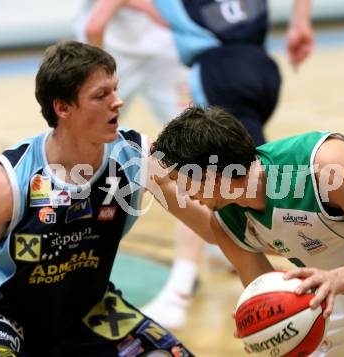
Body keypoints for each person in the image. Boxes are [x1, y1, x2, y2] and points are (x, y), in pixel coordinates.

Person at [0, 40, 216, 356]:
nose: (117, 102)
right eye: (101, 95)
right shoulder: (10, 179)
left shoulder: (134, 157)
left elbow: (210, 227)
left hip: (91, 310)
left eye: (115, 90)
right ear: (62, 107)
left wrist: (283, 238)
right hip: (8, 316)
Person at [153, 105, 344, 356]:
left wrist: (336, 279)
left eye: (181, 180)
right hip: (340, 289)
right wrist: (263, 327)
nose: (182, 192)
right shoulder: (226, 223)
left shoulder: (325, 166)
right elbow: (265, 295)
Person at [141, 0, 314, 329]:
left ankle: (180, 289)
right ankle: (250, 254)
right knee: (243, 175)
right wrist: (300, 22)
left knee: (200, 170)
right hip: (262, 65)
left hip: (218, 65)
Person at [75, 0, 205, 330]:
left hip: (167, 44)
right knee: (78, 147)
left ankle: (182, 283)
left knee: (195, 152)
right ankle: (62, 257)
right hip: (112, 42)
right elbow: (95, 22)